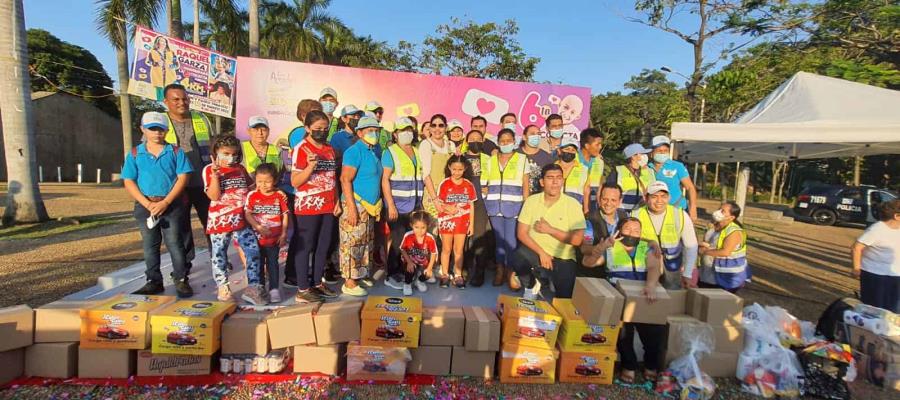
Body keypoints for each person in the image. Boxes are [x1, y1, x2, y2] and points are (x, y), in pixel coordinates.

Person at [122, 112, 193, 298]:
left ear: (167, 130)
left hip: (171, 203)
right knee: (150, 244)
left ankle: (181, 279)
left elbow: (183, 177)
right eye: (152, 129)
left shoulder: (175, 152)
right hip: (146, 204)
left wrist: (166, 201)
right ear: (143, 130)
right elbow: (129, 180)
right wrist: (146, 203)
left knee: (175, 243)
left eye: (160, 129)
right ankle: (153, 280)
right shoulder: (136, 153)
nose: (156, 133)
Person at [592, 217, 664, 384]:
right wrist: (601, 247)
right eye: (628, 229)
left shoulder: (647, 248)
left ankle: (651, 365)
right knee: (623, 332)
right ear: (619, 231)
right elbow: (588, 262)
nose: (632, 233)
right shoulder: (610, 248)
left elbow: (654, 268)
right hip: (618, 296)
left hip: (643, 295)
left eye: (637, 230)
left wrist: (651, 285)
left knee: (654, 330)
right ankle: (629, 365)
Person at [162, 83, 216, 283]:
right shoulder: (161, 122)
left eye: (184, 98)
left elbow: (213, 146)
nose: (181, 103)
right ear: (166, 102)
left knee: (211, 223)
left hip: (203, 182)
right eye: (175, 99)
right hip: (176, 184)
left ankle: (217, 257)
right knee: (181, 226)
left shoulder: (201, 119)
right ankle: (184, 263)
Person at [203, 135, 264, 305]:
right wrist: (215, 176)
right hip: (220, 221)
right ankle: (223, 287)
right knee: (219, 254)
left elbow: (252, 189)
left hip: (242, 220)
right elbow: (214, 196)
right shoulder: (209, 170)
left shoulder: (240, 169)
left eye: (234, 154)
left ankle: (253, 287)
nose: (230, 158)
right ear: (216, 153)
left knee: (253, 252)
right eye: (226, 153)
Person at [510, 164, 586, 299]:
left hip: (563, 258)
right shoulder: (531, 201)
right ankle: (531, 285)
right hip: (536, 252)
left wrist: (550, 230)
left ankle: (546, 279)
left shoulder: (573, 204)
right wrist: (542, 253)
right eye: (550, 178)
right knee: (517, 258)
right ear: (542, 182)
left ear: (563, 181)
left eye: (558, 178)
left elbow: (577, 240)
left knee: (564, 298)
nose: (555, 182)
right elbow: (521, 233)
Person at [291, 110, 341, 303]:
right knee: (306, 247)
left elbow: (331, 177)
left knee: (323, 245)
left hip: (328, 205)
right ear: (307, 128)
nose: (322, 132)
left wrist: (336, 199)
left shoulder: (329, 148)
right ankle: (303, 289)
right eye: (317, 129)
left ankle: (318, 283)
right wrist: (310, 167)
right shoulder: (301, 148)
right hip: (308, 206)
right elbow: (295, 181)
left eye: (325, 128)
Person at [339, 115, 384, 296]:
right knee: (352, 243)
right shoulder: (353, 151)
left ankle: (360, 274)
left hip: (370, 207)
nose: (374, 133)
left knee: (365, 243)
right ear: (359, 133)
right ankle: (349, 282)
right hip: (356, 204)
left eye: (376, 130)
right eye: (369, 131)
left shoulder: (374, 150)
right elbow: (345, 179)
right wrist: (351, 207)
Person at [483, 129, 530, 290]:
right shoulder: (490, 160)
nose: (505, 143)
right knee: (499, 241)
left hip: (514, 206)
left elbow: (526, 185)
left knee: (511, 241)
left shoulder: (522, 159)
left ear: (514, 142)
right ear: (498, 142)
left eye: (508, 140)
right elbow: (485, 183)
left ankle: (511, 272)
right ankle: (500, 270)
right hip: (494, 206)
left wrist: (526, 205)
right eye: (502, 140)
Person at [381, 117, 426, 290]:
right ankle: (391, 274)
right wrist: (390, 205)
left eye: (409, 129)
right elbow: (385, 179)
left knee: (411, 241)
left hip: (414, 205)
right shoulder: (390, 152)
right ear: (395, 134)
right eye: (402, 130)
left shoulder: (416, 150)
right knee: (399, 240)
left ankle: (407, 271)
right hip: (397, 207)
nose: (406, 133)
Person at [633, 181, 698, 289]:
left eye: (663, 196)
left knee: (672, 298)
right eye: (654, 196)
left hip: (672, 267)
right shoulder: (636, 215)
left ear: (669, 198)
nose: (659, 201)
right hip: (646, 266)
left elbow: (691, 246)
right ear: (646, 198)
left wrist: (687, 274)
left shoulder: (680, 215)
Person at [244, 163, 290, 303]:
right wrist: (257, 227)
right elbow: (247, 214)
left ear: (275, 181)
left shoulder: (279, 196)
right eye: (259, 181)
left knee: (272, 263)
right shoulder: (252, 195)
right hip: (256, 239)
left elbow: (285, 215)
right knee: (257, 264)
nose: (263, 185)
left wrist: (283, 234)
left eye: (267, 181)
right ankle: (260, 289)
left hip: (274, 239)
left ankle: (274, 289)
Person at [851, 200, 900, 312]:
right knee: (874, 309)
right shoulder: (877, 229)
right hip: (875, 274)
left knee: (894, 310)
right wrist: (856, 268)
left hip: (896, 274)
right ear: (897, 216)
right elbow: (857, 247)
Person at [436, 155, 477, 289]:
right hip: (446, 221)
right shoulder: (444, 183)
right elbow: (439, 203)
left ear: (465, 169)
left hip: (462, 222)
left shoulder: (469, 185)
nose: (457, 172)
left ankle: (458, 275)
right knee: (446, 249)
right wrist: (448, 209)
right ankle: (445, 274)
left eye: (460, 169)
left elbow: (471, 205)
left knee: (459, 250)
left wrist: (471, 224)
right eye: (454, 169)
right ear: (449, 168)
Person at [462, 130, 494, 287]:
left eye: (478, 139)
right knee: (462, 236)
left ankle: (479, 272)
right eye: (471, 138)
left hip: (480, 203)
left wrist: (489, 187)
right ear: (466, 141)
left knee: (479, 236)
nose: (475, 141)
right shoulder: (460, 159)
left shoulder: (489, 159)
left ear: (483, 141)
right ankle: (463, 267)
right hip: (461, 201)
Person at [698, 201, 749, 293]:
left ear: (732, 217)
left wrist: (704, 251)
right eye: (719, 209)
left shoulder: (734, 231)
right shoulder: (713, 226)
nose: (718, 212)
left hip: (726, 275)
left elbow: (725, 252)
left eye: (723, 211)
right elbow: (709, 243)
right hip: (708, 272)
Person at [581, 183, 629, 277]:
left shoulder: (625, 217)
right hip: (595, 274)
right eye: (605, 199)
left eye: (613, 200)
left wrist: (652, 242)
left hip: (619, 272)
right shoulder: (589, 220)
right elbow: (584, 248)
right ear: (599, 199)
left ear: (620, 201)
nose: (608, 203)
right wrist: (599, 248)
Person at [650, 135, 698, 221]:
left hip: (677, 208)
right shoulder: (646, 168)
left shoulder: (677, 166)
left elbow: (690, 187)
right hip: (655, 210)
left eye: (665, 151)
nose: (662, 153)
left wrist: (693, 208)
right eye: (659, 150)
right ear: (652, 152)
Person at [419, 114, 457, 220]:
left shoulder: (451, 145)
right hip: (433, 193)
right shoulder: (426, 144)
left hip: (450, 192)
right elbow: (426, 174)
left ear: (445, 128)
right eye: (434, 125)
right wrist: (435, 199)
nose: (437, 129)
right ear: (430, 128)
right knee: (435, 228)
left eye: (441, 125)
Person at [398, 211, 438, 296]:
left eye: (423, 227)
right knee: (410, 269)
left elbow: (434, 253)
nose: (419, 231)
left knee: (429, 274)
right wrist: (409, 262)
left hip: (423, 262)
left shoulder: (430, 238)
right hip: (410, 261)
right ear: (411, 225)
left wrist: (430, 268)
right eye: (416, 227)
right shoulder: (408, 236)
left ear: (428, 226)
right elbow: (402, 249)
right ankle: (407, 284)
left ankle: (419, 281)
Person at [607, 143, 655, 212]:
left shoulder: (650, 171)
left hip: (643, 211)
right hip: (623, 211)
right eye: (642, 153)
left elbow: (654, 190)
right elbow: (609, 191)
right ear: (633, 156)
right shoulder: (618, 171)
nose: (645, 156)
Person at [555, 137, 590, 214]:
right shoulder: (552, 168)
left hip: (575, 211)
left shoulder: (584, 169)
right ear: (559, 150)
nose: (570, 152)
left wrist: (586, 209)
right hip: (555, 209)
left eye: (573, 150)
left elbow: (586, 189)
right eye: (567, 149)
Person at [519, 125, 553, 195]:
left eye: (538, 134)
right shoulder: (515, 154)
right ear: (524, 137)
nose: (536, 136)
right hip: (517, 197)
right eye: (532, 134)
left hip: (537, 199)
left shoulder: (547, 157)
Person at [578, 128, 606, 212]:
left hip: (593, 207)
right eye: (597, 144)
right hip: (573, 205)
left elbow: (600, 185)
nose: (600, 147)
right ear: (587, 146)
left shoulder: (599, 162)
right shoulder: (573, 160)